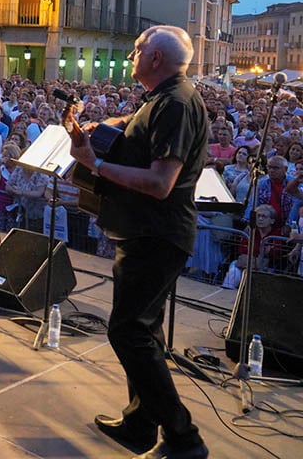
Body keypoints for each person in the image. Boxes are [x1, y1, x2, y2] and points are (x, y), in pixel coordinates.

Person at [69, 25, 210, 459]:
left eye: (138, 49)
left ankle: (183, 438)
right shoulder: (161, 98)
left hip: (157, 233)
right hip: (143, 231)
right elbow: (130, 127)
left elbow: (160, 182)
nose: (131, 53)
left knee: (128, 331)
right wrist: (93, 130)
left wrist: (95, 164)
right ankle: (139, 423)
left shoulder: (177, 103)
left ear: (155, 59)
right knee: (143, 330)